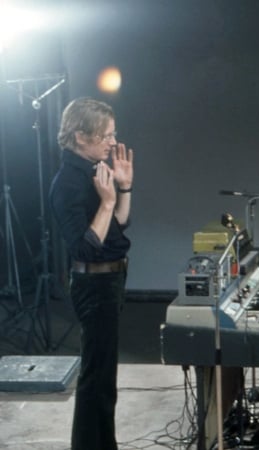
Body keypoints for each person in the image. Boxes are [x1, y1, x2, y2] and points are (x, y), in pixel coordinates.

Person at [49, 97, 133, 450]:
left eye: (113, 134)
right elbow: (84, 247)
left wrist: (124, 188)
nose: (112, 143)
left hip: (111, 279)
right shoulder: (67, 182)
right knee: (95, 379)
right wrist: (108, 201)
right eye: (105, 136)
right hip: (93, 283)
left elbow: (120, 226)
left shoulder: (95, 171)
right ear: (80, 136)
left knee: (104, 379)